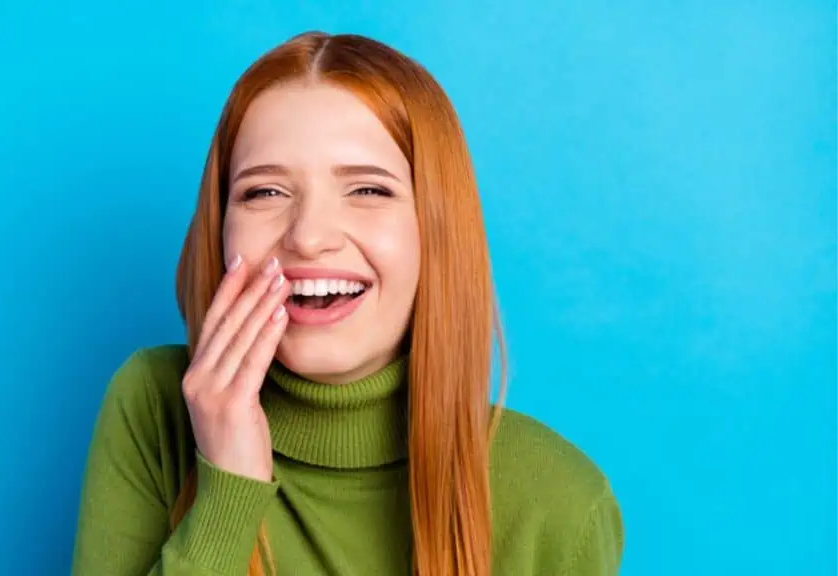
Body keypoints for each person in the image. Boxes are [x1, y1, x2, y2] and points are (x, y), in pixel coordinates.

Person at [70, 31, 624, 576]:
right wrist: (227, 493)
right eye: (264, 192)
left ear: (436, 230)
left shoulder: (560, 504)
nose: (308, 237)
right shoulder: (154, 406)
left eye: (368, 190)